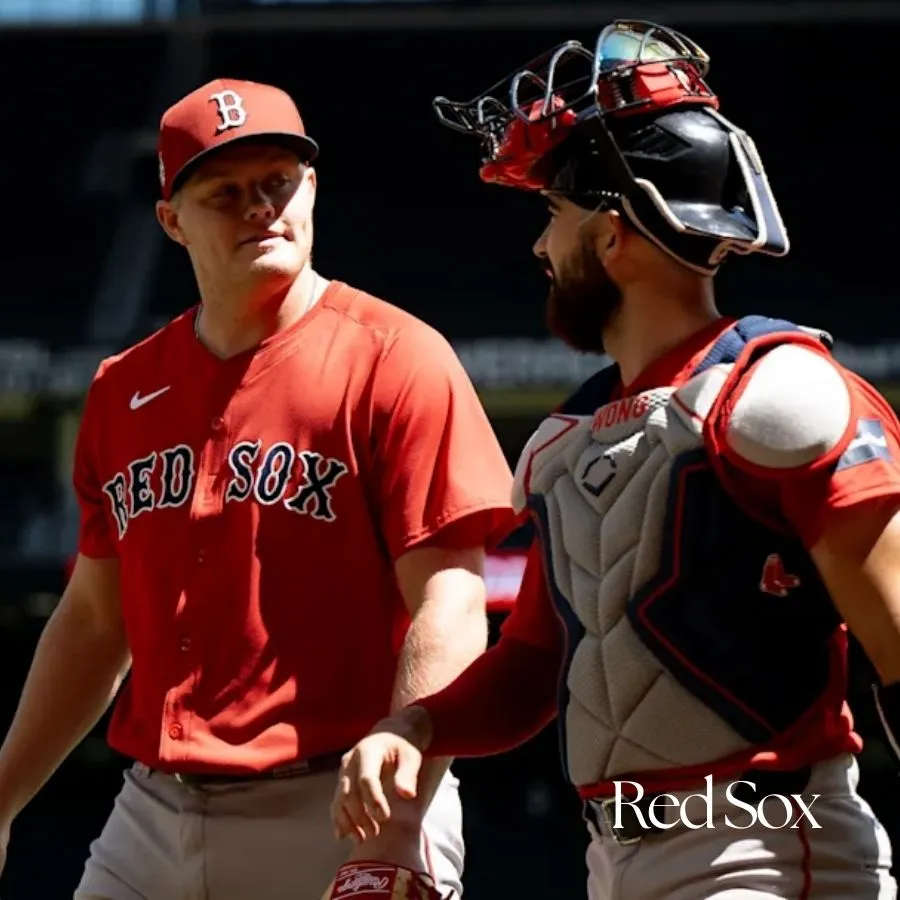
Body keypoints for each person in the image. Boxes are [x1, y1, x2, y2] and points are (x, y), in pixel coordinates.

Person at [331, 21, 900, 899]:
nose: (538, 249)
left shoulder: (782, 395)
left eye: (553, 215)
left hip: (768, 849)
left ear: (613, 233)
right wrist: (416, 724)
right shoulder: (571, 436)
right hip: (613, 857)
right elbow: (535, 666)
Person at [0, 78, 515, 900]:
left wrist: (406, 786)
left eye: (279, 182)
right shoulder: (120, 388)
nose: (260, 208)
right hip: (153, 808)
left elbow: (450, 599)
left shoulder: (397, 358)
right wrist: (2, 796)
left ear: (311, 188)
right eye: (225, 192)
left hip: (342, 799)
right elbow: (97, 620)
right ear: (172, 221)